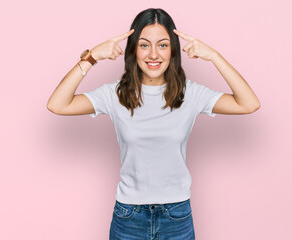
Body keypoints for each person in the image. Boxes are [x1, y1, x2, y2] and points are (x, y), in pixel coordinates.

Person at [47, 7, 260, 240]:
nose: (154, 55)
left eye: (163, 45)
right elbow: (58, 104)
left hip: (176, 216)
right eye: (144, 44)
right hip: (128, 217)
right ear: (134, 50)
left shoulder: (192, 94)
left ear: (173, 50)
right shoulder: (114, 95)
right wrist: (92, 56)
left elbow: (248, 104)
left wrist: (214, 56)